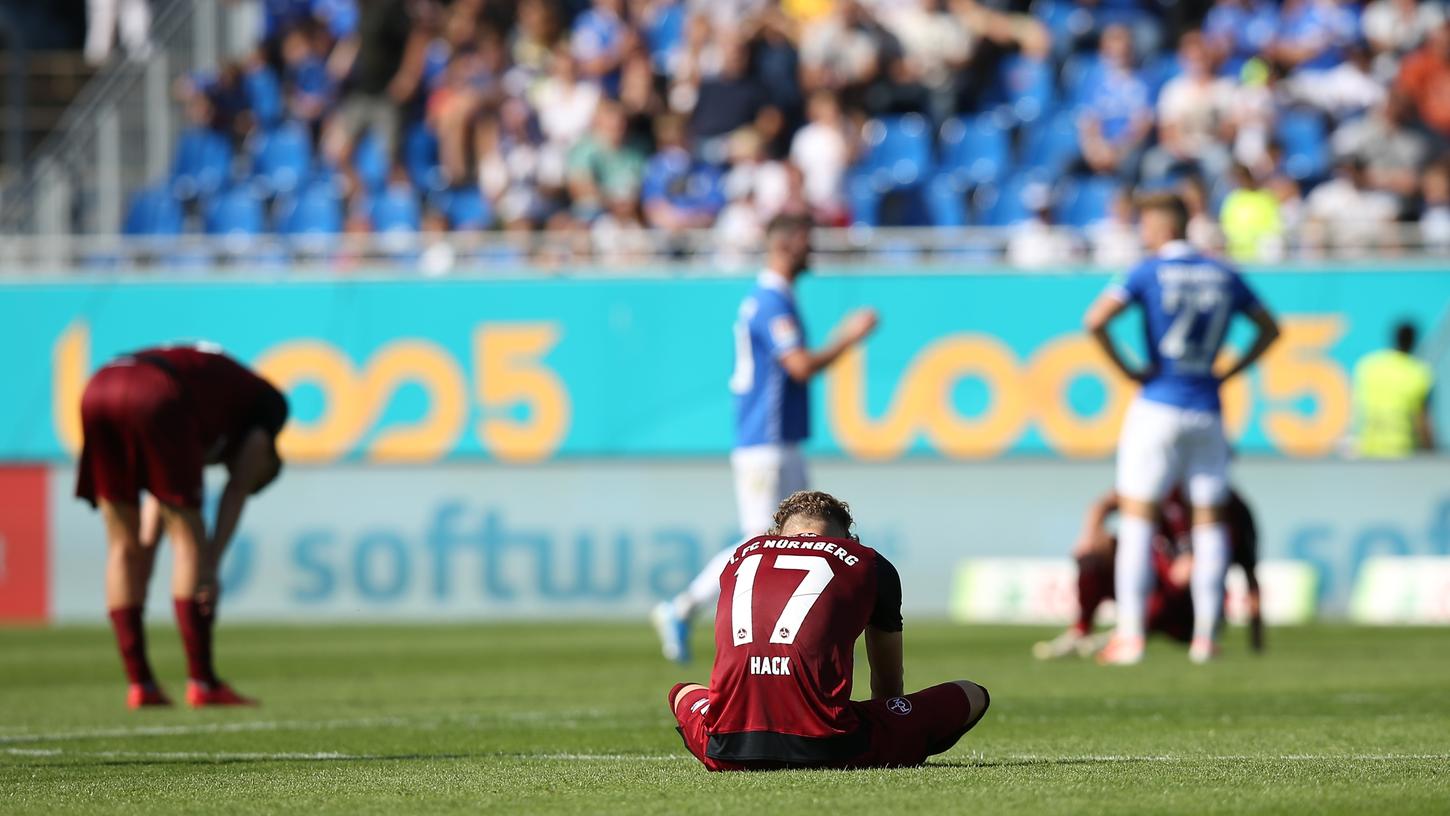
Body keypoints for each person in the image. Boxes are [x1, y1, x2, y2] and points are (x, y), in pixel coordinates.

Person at [651, 213, 878, 663]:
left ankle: (791, 625)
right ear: (788, 243)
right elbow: (799, 366)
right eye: (806, 241)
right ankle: (683, 607)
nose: (811, 249)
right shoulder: (771, 301)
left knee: (806, 531)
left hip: (781, 439)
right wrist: (849, 337)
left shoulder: (776, 299)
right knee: (761, 536)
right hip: (765, 440)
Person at [1083, 192, 1279, 665]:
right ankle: (1206, 638)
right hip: (1207, 407)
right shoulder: (1224, 273)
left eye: (1144, 226)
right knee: (1209, 521)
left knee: (1137, 519)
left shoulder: (1147, 271)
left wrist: (1130, 370)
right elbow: (1270, 329)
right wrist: (1231, 371)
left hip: (1157, 404)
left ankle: (1130, 638)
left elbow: (1095, 321)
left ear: (1158, 228)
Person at [667, 490, 991, 771]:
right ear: (846, 538)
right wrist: (894, 725)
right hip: (830, 747)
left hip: (728, 747)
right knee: (971, 693)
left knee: (682, 692)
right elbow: (888, 683)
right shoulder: (869, 563)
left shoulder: (739, 556)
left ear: (777, 534)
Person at [76, 344, 289, 708]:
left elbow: (161, 494)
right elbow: (236, 491)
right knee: (189, 542)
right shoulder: (270, 410)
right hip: (158, 392)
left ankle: (141, 684)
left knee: (122, 546)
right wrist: (210, 566)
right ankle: (203, 683)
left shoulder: (217, 402)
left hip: (100, 384)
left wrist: (146, 552)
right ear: (268, 456)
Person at [1034, 486, 1263, 660]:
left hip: (1187, 612)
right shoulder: (1159, 485)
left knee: (1179, 578)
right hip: (1155, 582)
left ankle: (1135, 634)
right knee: (1094, 557)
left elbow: (1250, 573)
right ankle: (1084, 631)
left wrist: (1257, 640)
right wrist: (1091, 534)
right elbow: (1104, 503)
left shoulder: (1232, 507)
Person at [1352, 322, 1437, 458]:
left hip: (1368, 449)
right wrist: (1432, 455)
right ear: (1414, 341)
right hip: (1403, 451)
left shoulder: (1367, 366)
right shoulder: (1419, 373)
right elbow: (1423, 422)